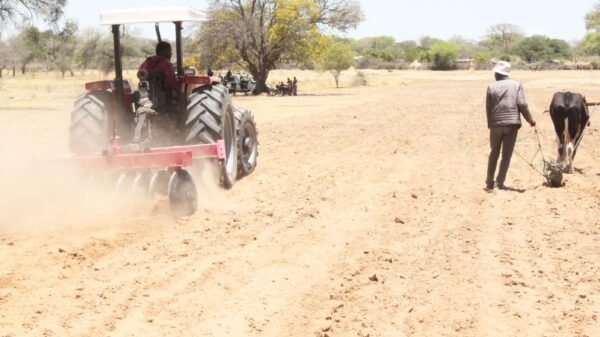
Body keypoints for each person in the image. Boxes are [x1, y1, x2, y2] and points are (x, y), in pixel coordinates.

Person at [485, 61, 536, 192]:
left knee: (493, 153)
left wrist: (491, 124)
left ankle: (490, 182)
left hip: (496, 124)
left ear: (497, 73)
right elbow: (522, 104)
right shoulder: (517, 85)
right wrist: (530, 119)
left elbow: (488, 108)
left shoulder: (491, 87)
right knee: (506, 155)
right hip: (512, 124)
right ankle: (499, 183)